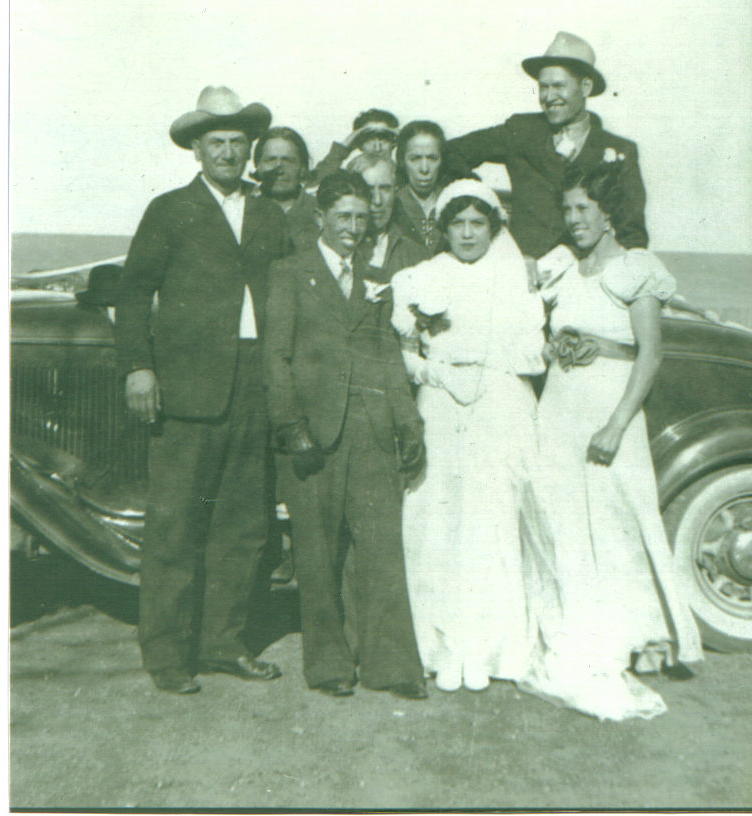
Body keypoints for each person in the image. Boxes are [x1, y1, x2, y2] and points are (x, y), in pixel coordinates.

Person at [115, 86, 289, 695]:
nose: (228, 152)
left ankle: (223, 644)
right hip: (187, 393)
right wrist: (139, 367)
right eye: (217, 142)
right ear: (197, 150)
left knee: (242, 527)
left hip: (254, 387)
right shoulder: (170, 210)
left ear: (249, 149)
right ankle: (167, 654)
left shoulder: (270, 215)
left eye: (238, 142)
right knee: (175, 528)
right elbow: (133, 293)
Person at [521, 161, 704, 720]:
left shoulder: (635, 268)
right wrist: (553, 348)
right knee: (562, 518)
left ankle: (638, 635)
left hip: (609, 410)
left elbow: (650, 354)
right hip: (560, 407)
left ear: (609, 214)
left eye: (584, 209)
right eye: (567, 209)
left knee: (618, 520)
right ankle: (578, 627)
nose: (573, 219)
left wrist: (617, 425)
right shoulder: (562, 267)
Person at [263, 170, 427, 700]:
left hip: (370, 431)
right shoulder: (290, 272)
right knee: (317, 553)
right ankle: (330, 664)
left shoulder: (376, 279)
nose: (354, 227)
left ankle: (390, 664)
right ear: (321, 218)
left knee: (381, 549)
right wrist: (291, 426)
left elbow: (387, 356)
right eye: (343, 217)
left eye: (361, 217)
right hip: (312, 435)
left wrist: (408, 421)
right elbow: (276, 357)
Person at [390, 179, 547, 692]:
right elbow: (404, 353)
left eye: (478, 223)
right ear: (444, 228)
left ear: (493, 227)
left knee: (489, 519)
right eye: (457, 223)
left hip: (497, 403)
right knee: (438, 520)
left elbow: (532, 351)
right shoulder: (421, 277)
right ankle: (441, 648)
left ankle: (486, 648)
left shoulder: (515, 278)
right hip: (439, 402)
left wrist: (489, 370)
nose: (467, 233)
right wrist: (433, 372)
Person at [445, 32, 648, 259]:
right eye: (543, 87)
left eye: (559, 86)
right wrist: (481, 198)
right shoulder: (521, 131)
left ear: (585, 87)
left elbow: (633, 233)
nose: (549, 97)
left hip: (586, 271)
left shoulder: (619, 151)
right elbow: (452, 152)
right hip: (523, 266)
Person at [348, 153, 429, 282]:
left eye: (385, 189)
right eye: (368, 190)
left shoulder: (415, 254)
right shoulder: (338, 247)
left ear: (395, 192)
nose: (377, 200)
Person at [252, 126, 319, 252]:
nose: (279, 170)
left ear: (303, 168)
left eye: (288, 161)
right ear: (258, 166)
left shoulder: (320, 211)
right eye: (270, 160)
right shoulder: (243, 209)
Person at [392, 120, 453, 256]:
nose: (424, 169)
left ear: (442, 160)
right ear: (402, 161)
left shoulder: (453, 203)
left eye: (432, 158)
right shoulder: (391, 205)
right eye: (415, 159)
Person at [309, 108, 399, 186]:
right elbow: (314, 187)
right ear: (359, 143)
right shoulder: (345, 179)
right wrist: (344, 147)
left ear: (394, 142)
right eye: (369, 139)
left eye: (384, 139)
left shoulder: (404, 177)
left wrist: (403, 138)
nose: (377, 148)